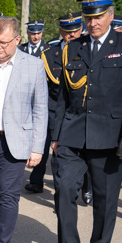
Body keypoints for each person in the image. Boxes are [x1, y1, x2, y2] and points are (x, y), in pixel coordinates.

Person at [51, 0, 122, 243]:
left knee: (105, 198)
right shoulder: (72, 47)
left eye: (98, 17)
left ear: (110, 15)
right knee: (65, 189)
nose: (92, 23)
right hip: (72, 134)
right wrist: (55, 136)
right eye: (88, 18)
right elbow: (62, 97)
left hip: (110, 135)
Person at [0, 16, 48, 243]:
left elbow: (40, 109)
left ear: (17, 39)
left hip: (16, 142)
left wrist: (37, 148)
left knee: (8, 196)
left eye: (4, 43)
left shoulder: (34, 66)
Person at [26, 12, 83, 194]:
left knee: (76, 153)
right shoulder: (49, 55)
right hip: (52, 110)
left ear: (81, 29)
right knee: (43, 149)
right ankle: (37, 182)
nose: (71, 35)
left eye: (75, 31)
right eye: (67, 31)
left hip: (78, 111)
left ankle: (83, 188)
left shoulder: (89, 52)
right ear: (60, 31)